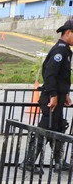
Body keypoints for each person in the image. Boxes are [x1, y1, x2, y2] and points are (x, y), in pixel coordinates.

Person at [20, 19, 73, 174]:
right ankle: (28, 162)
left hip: (58, 96)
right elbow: (49, 75)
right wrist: (54, 95)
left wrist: (65, 94)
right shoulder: (59, 51)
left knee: (57, 128)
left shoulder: (65, 50)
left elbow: (62, 77)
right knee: (44, 130)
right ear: (68, 33)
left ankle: (59, 162)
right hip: (51, 98)